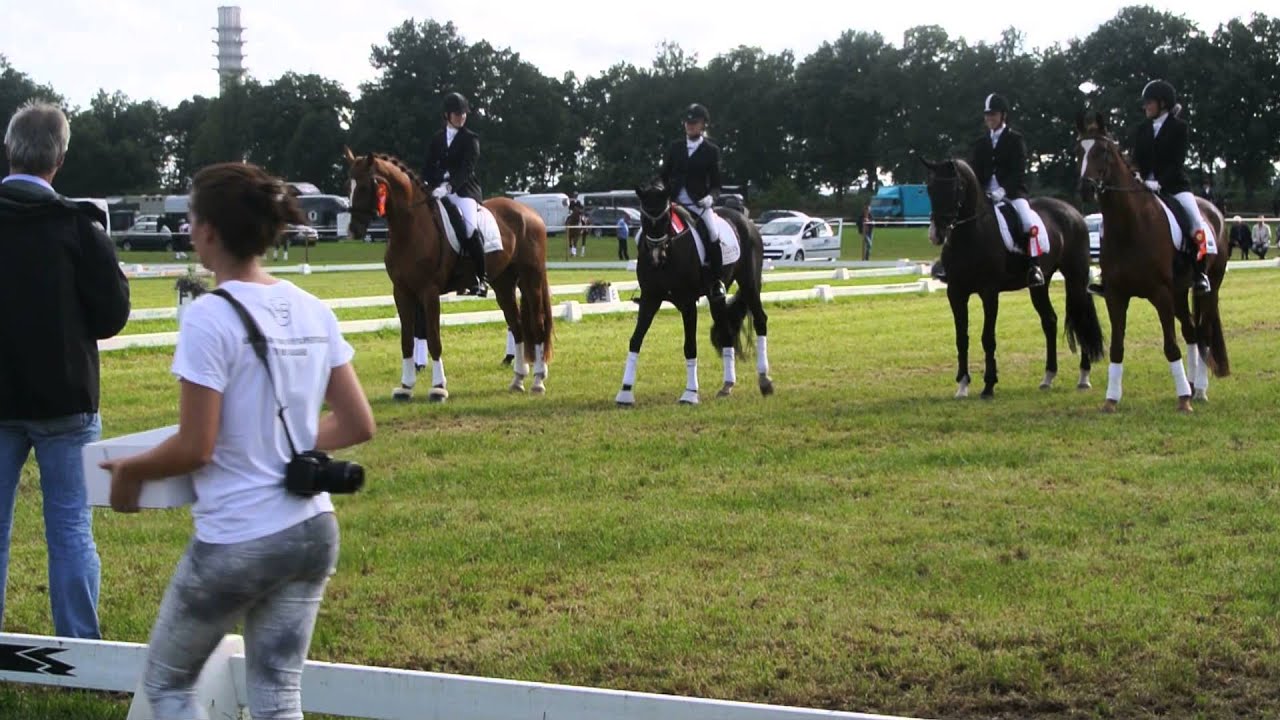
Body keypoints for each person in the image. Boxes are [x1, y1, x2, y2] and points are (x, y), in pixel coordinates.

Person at [99, 162, 375, 719]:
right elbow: (356, 422)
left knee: (168, 685)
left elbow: (195, 448)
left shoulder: (209, 316)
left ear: (207, 232)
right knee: (277, 695)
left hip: (239, 539)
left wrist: (130, 472)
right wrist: (279, 446)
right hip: (312, 528)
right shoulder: (312, 307)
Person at [0, 101, 131, 639]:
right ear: (59, 160)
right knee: (72, 528)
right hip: (66, 396)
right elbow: (113, 313)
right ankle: (80, 648)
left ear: (9, 150)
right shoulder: (78, 226)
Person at [934, 93, 1048, 288]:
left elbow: (1018, 171)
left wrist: (1003, 191)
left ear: (1003, 115)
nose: (989, 118)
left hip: (1012, 194)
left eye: (993, 114)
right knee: (957, 219)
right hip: (984, 194)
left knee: (1028, 222)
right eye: (987, 115)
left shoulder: (1015, 139)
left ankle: (1033, 266)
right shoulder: (981, 142)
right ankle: (946, 263)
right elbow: (975, 171)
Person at [423, 92, 489, 297]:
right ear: (447, 115)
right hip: (438, 190)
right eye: (457, 114)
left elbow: (467, 169)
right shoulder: (436, 138)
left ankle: (480, 278)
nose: (462, 117)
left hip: (463, 190)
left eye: (464, 114)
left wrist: (449, 186)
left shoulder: (471, 139)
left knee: (469, 228)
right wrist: (428, 183)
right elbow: (428, 165)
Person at [660, 103, 726, 302]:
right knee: (644, 234)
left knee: (713, 234)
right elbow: (663, 175)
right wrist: (660, 193)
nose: (690, 126)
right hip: (675, 204)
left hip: (699, 205)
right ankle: (650, 279)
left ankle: (717, 281)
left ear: (703, 125)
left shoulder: (710, 150)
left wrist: (710, 198)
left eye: (694, 123)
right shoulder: (675, 148)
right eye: (687, 123)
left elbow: (716, 184)